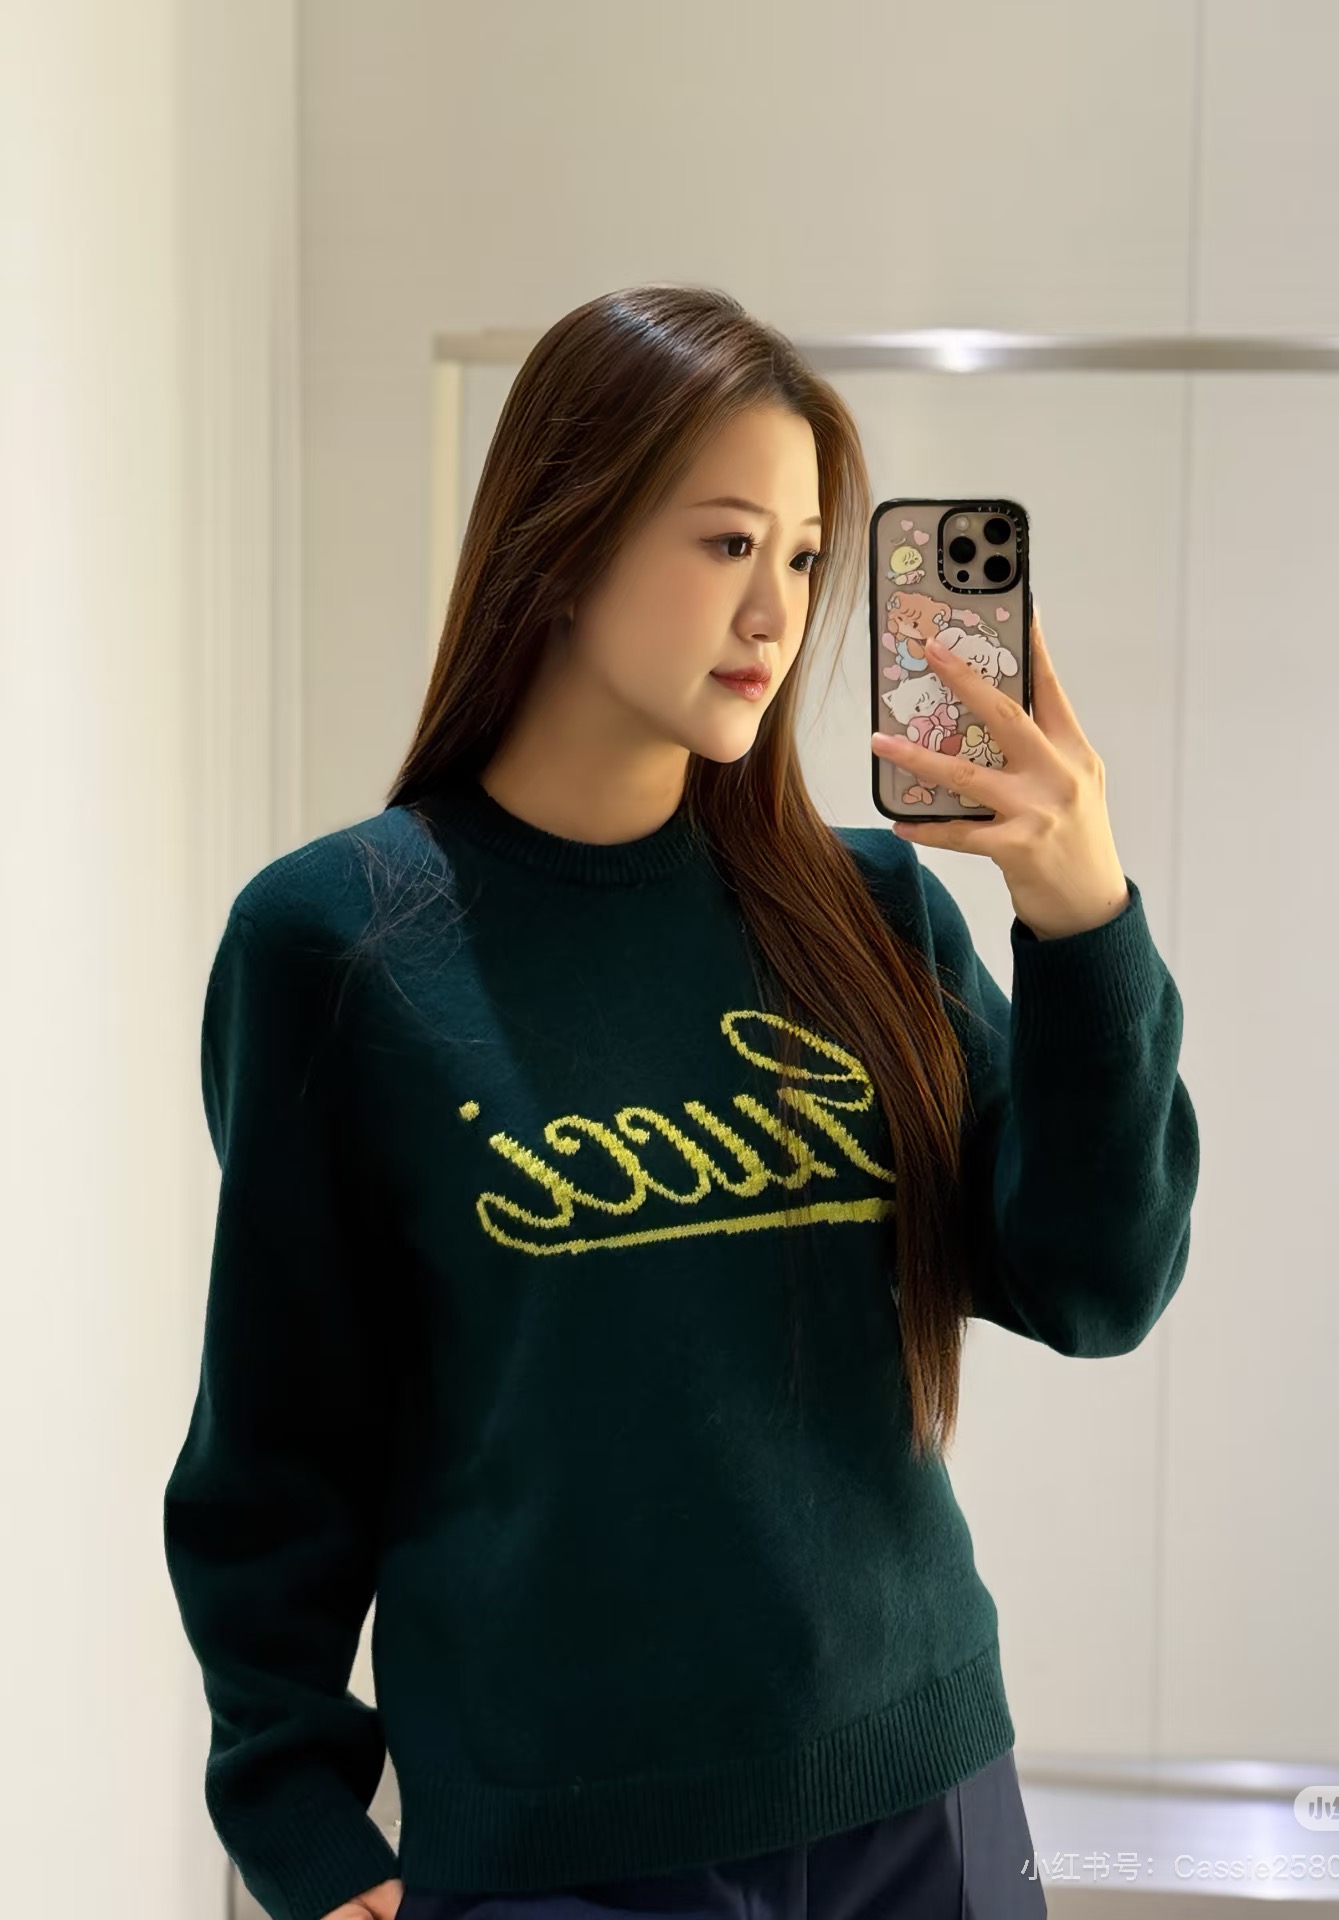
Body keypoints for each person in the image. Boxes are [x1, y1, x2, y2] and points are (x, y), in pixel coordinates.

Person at [163, 282, 1199, 1920]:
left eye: (804, 557)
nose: (776, 613)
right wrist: (298, 1815)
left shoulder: (869, 917)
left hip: (928, 1796)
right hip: (561, 1847)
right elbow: (277, 1435)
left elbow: (1097, 1282)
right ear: (565, 540)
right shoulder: (335, 946)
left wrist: (1083, 924)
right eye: (727, 543)